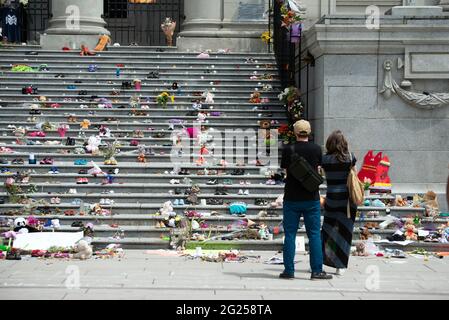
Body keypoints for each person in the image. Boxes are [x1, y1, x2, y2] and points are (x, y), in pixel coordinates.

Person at [279, 120, 332, 280]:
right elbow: (318, 170)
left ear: (295, 132)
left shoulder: (288, 149)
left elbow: (286, 171)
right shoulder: (316, 149)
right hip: (311, 197)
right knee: (315, 234)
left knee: (290, 234)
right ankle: (316, 270)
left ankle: (289, 271)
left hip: (291, 198)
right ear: (308, 132)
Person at [321, 130, 357, 276]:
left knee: (327, 231)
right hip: (347, 201)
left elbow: (323, 176)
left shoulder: (324, 159)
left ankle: (319, 262)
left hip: (331, 198)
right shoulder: (350, 158)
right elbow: (355, 176)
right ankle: (340, 266)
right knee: (345, 232)